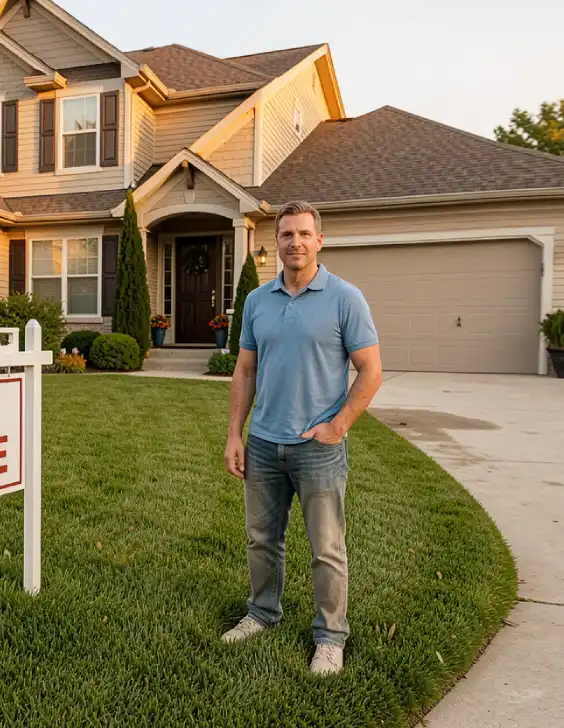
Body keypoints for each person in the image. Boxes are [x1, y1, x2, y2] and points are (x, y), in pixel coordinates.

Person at [222, 200, 383, 676]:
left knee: (326, 546)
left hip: (318, 448)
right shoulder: (257, 300)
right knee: (260, 539)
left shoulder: (344, 298)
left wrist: (337, 426)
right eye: (287, 234)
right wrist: (235, 434)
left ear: (320, 240)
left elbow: (371, 371)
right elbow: (245, 370)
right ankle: (262, 613)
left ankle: (330, 637)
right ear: (276, 242)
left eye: (304, 234)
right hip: (265, 444)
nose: (295, 242)